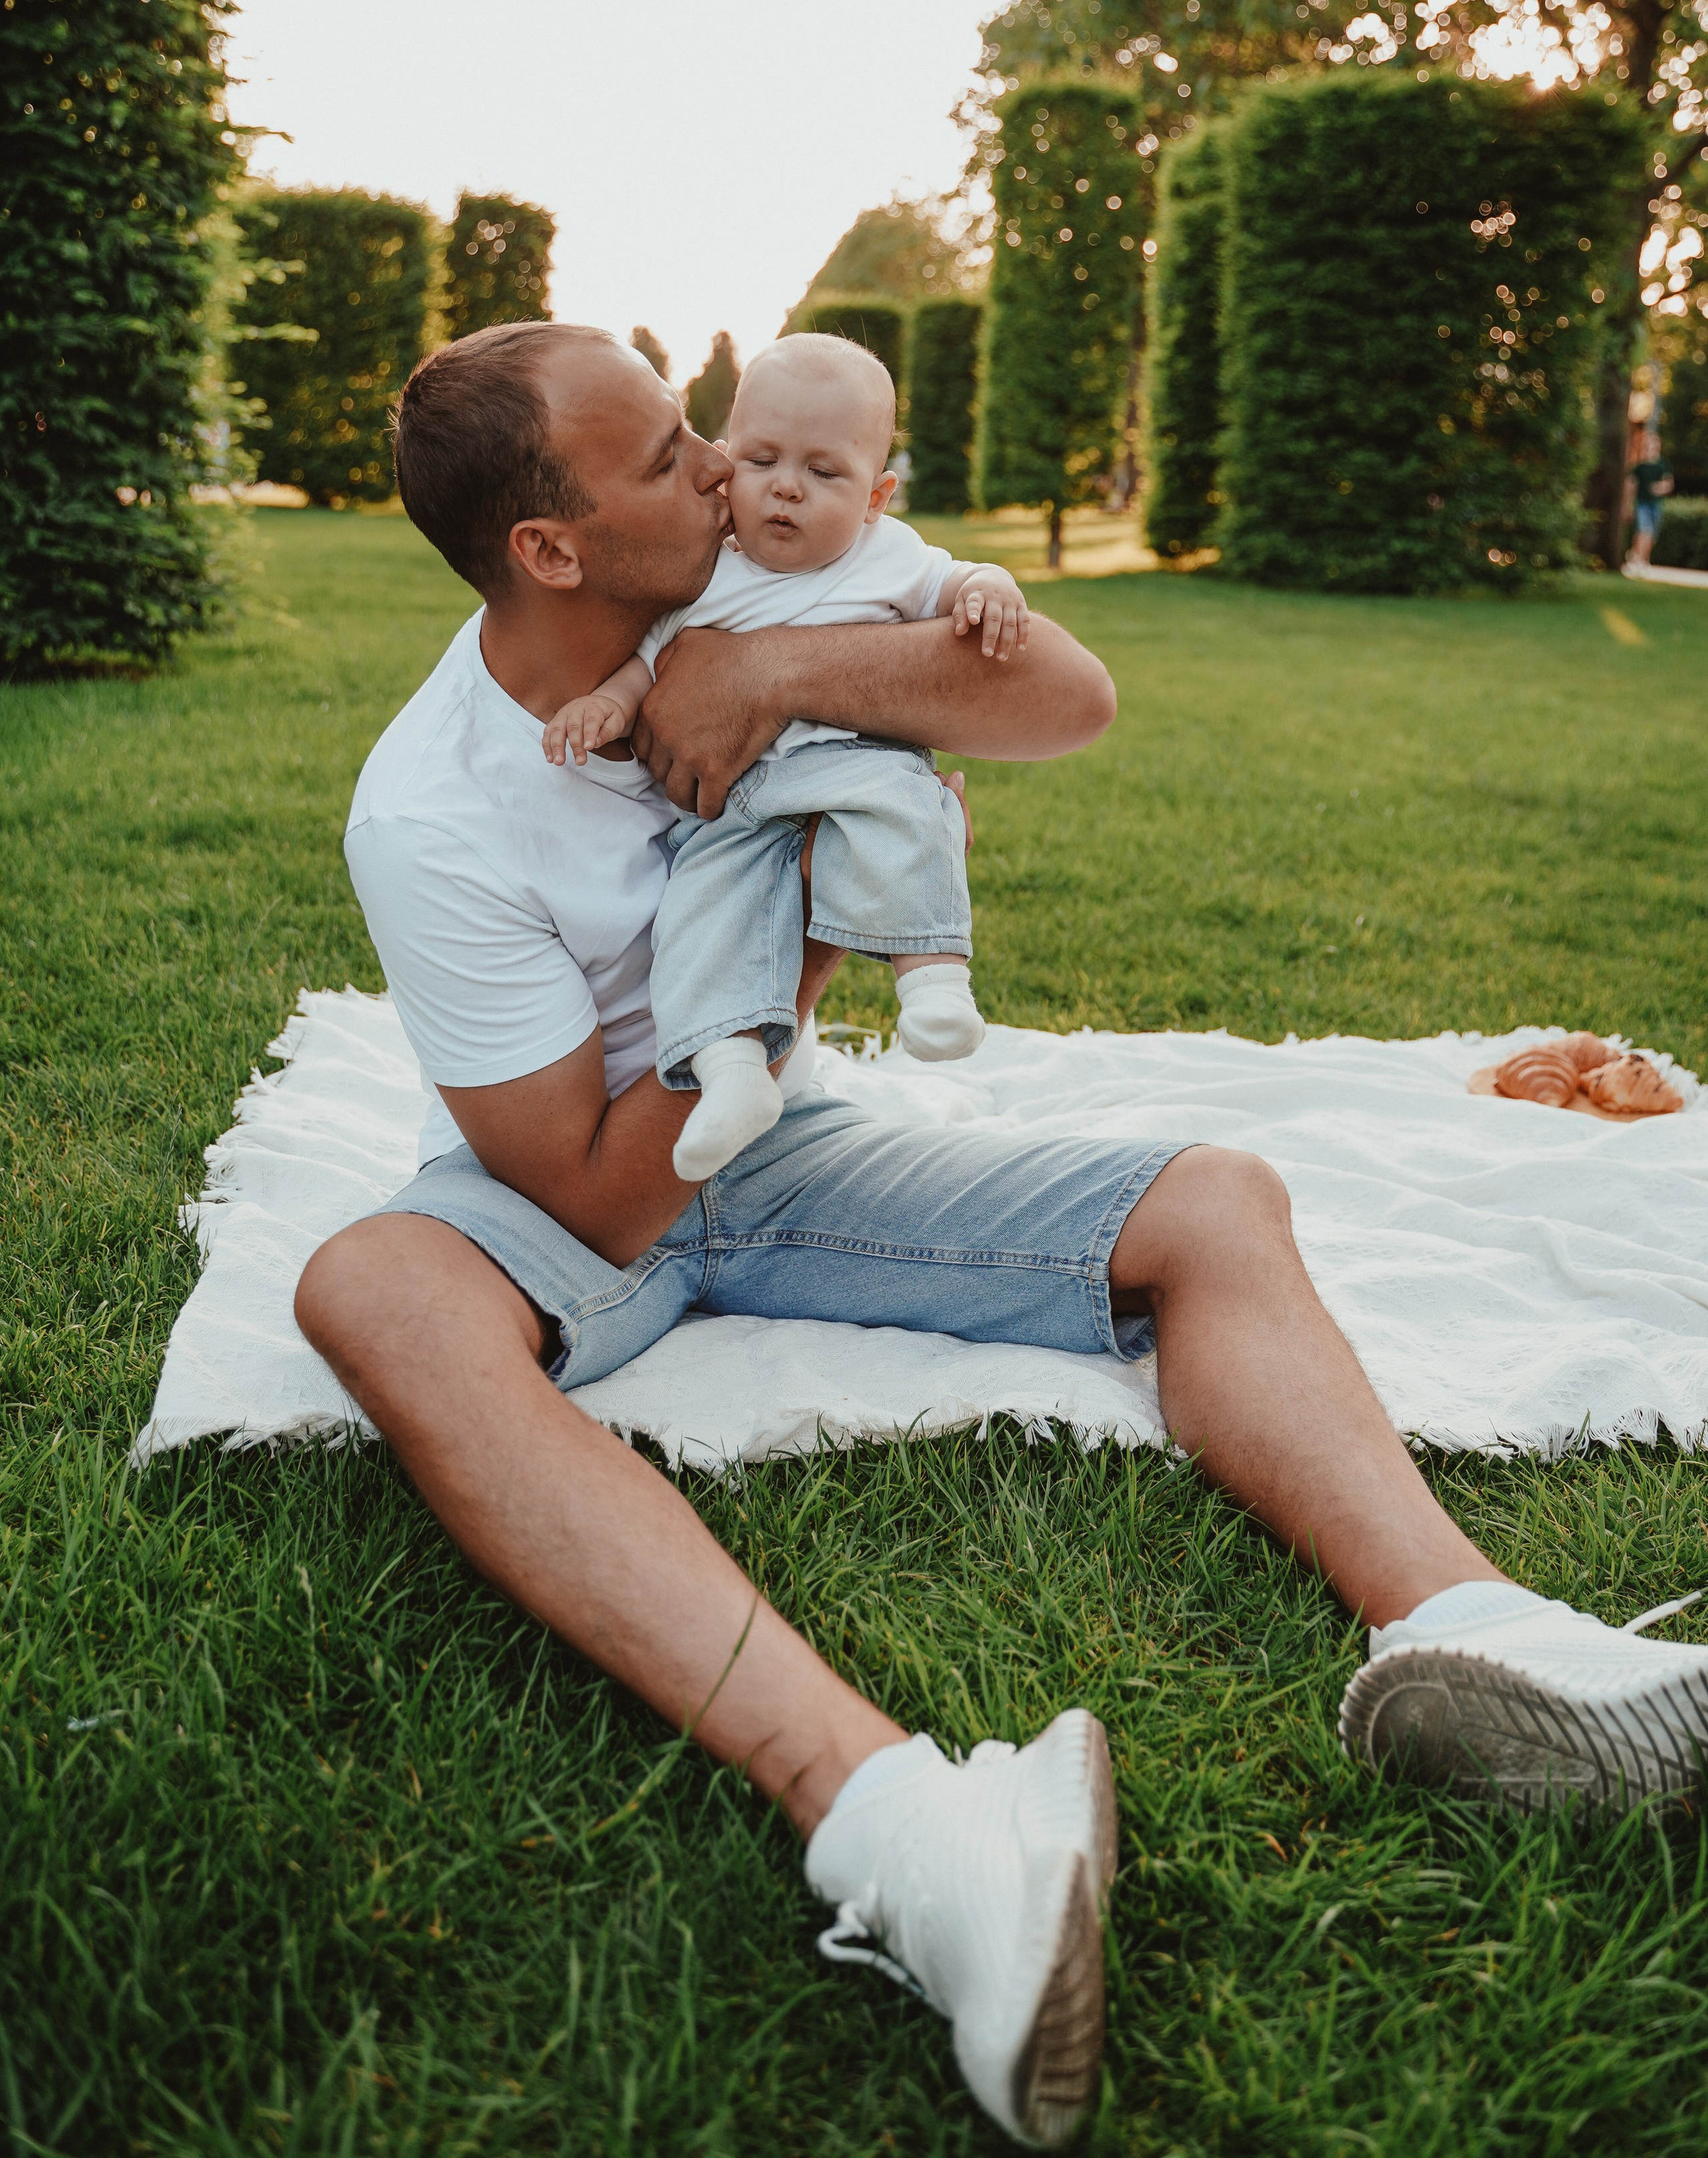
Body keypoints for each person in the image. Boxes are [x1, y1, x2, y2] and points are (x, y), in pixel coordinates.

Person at [298, 320, 1708, 2149]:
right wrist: (806, 929)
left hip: (781, 1151)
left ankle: (1474, 1638)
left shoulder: (749, 577)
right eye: (664, 457)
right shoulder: (429, 808)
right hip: (576, 1183)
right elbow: (592, 1191)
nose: (721, 467)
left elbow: (1064, 703)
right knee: (369, 1288)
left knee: (1216, 1197)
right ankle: (906, 1827)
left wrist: (785, 672)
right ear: (550, 550)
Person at [540, 330, 1028, 1179]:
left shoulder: (890, 557)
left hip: (854, 759)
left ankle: (932, 976)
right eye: (761, 459)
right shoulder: (706, 576)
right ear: (727, 463)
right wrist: (601, 706)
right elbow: (645, 666)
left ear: (876, 497)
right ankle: (730, 1070)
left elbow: (956, 584)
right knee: (698, 906)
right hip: (740, 798)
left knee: (910, 811)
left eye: (824, 472)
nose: (787, 488)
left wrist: (990, 588)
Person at [1627, 417, 1674, 571]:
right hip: (1642, 504)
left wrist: (1659, 488)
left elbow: (1669, 484)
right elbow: (1631, 485)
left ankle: (1638, 556)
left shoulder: (1662, 465)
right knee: (1644, 531)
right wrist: (1626, 505)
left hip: (1656, 505)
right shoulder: (1639, 467)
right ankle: (1640, 561)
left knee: (1651, 535)